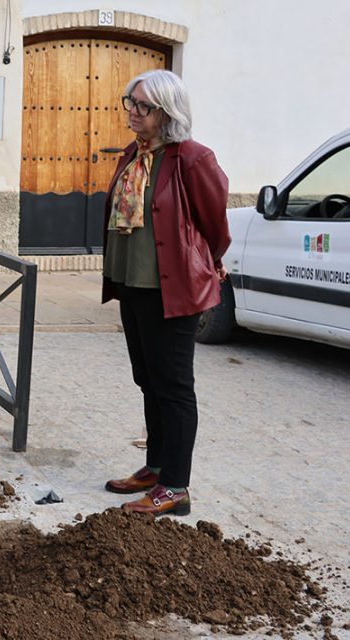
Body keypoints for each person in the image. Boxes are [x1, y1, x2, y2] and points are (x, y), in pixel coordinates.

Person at [99, 70, 230, 516]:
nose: (132, 112)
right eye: (129, 102)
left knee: (174, 387)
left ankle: (176, 487)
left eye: (143, 106)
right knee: (147, 379)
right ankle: (156, 467)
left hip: (172, 291)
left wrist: (209, 260)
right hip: (133, 285)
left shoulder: (191, 158)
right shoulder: (133, 157)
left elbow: (214, 223)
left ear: (166, 112)